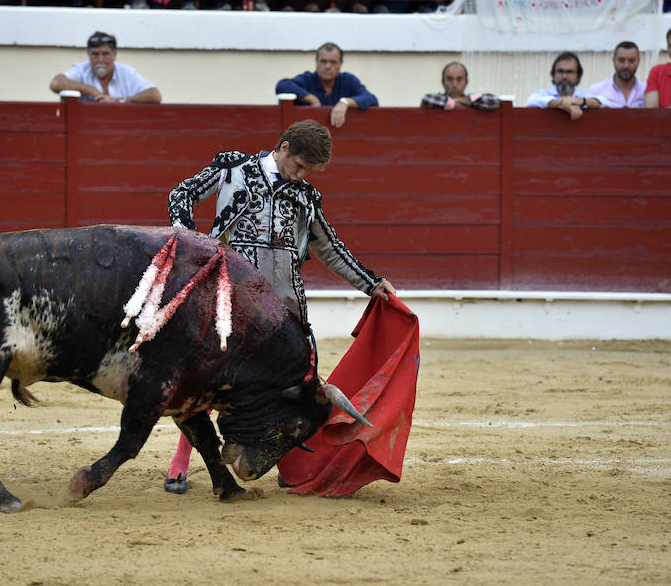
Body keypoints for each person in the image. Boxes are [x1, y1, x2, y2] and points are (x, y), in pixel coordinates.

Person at [163, 119, 396, 494]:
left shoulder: (305, 196)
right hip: (232, 305)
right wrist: (189, 240)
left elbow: (330, 248)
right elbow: (182, 194)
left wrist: (369, 282)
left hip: (285, 315)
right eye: (300, 166)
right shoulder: (233, 170)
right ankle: (180, 463)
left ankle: (285, 461)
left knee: (293, 391)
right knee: (208, 385)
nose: (301, 176)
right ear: (284, 147)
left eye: (310, 172)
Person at [275, 42, 379, 128]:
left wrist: (345, 102)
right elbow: (282, 86)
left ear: (340, 64)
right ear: (316, 62)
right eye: (323, 61)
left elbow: (371, 99)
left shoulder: (348, 80)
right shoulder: (308, 79)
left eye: (333, 62)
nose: (327, 66)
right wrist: (311, 98)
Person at [49, 31, 162, 104]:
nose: (100, 60)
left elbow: (154, 95)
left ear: (115, 55)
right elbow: (56, 83)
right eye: (95, 54)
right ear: (88, 54)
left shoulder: (126, 72)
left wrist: (120, 101)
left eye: (105, 54)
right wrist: (91, 91)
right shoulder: (82, 70)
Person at [526, 52, 604, 120]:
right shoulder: (543, 94)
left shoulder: (582, 96)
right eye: (560, 71)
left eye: (569, 72)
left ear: (578, 77)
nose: (564, 76)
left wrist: (579, 102)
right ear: (553, 74)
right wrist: (563, 103)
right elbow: (531, 101)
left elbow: (605, 102)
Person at [586, 42, 646, 108]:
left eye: (631, 61)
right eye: (621, 60)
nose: (626, 66)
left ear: (638, 61)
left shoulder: (646, 91)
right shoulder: (596, 91)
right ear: (614, 61)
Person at [420, 61, 500, 111]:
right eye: (450, 79)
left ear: (466, 82)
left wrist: (450, 103)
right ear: (443, 82)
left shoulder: (471, 98)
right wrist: (466, 102)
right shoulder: (435, 99)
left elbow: (495, 101)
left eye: (459, 79)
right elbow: (426, 99)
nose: (454, 84)